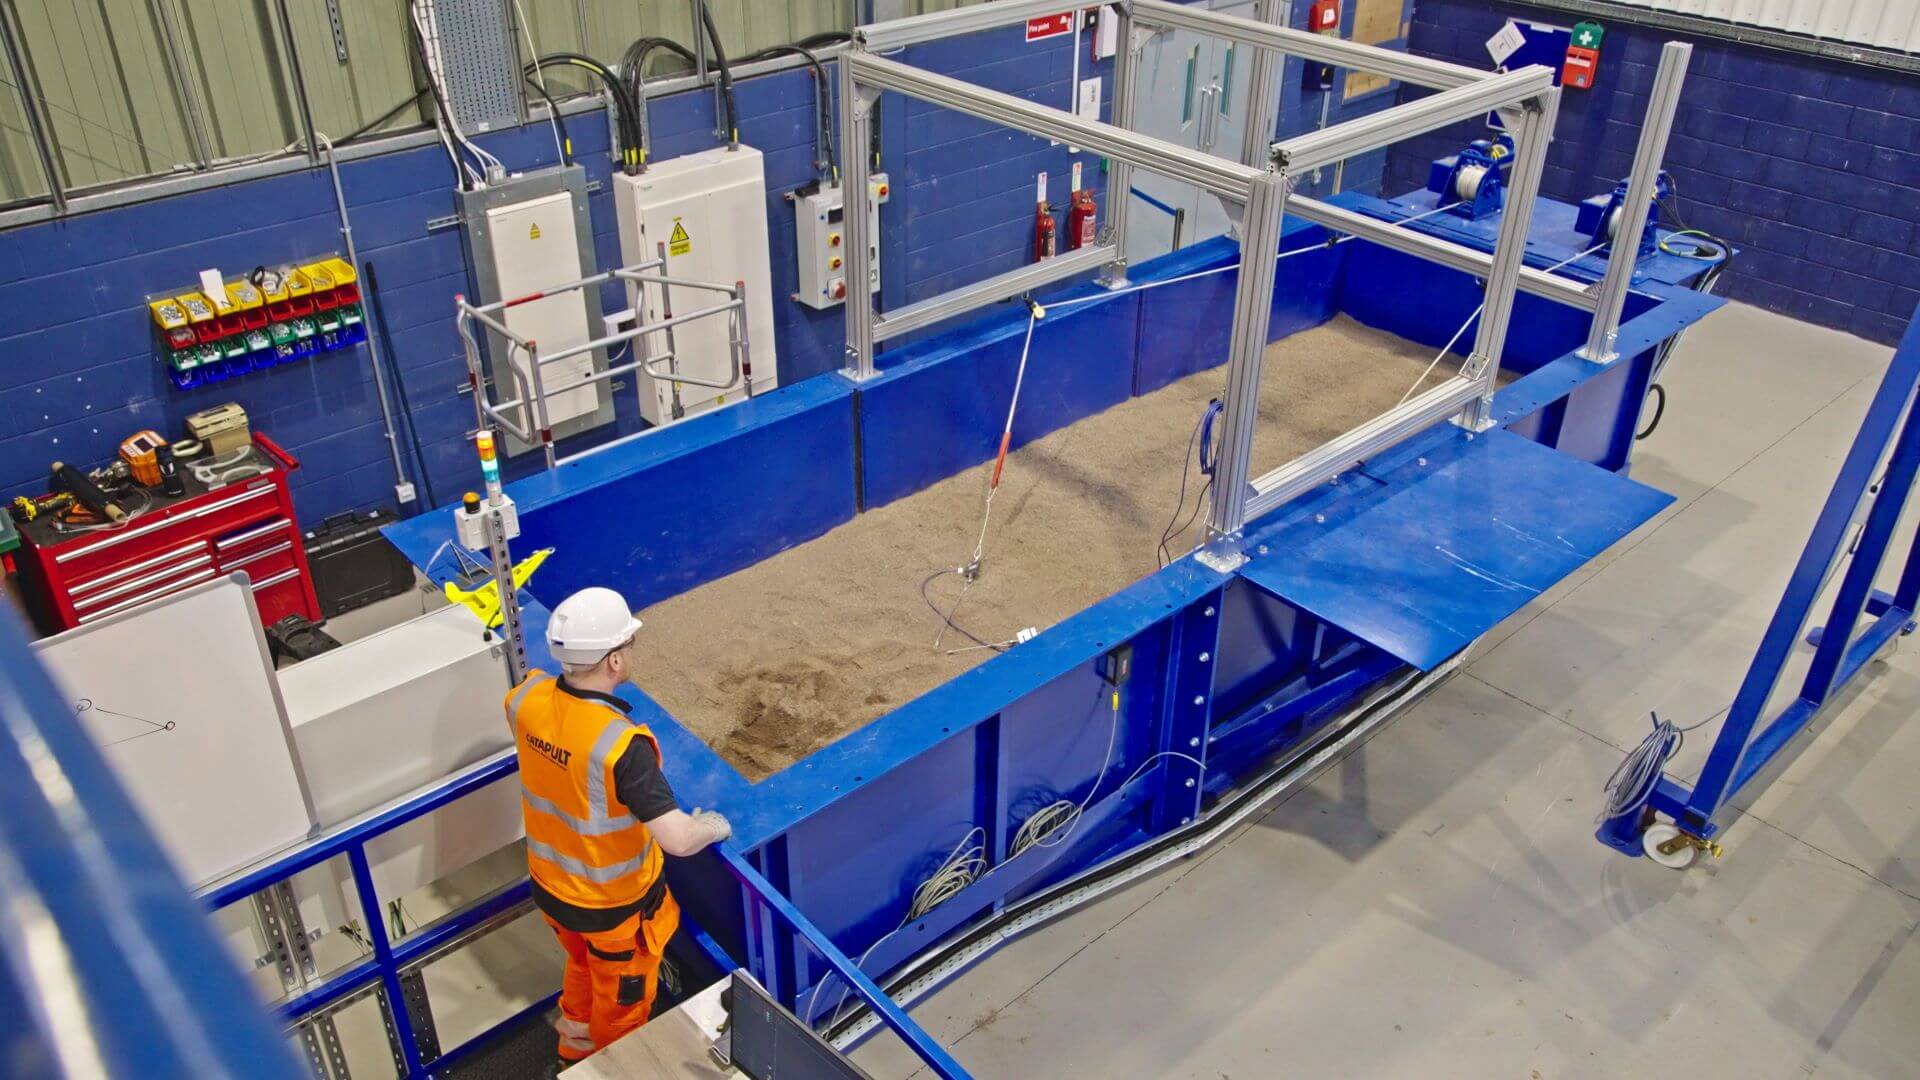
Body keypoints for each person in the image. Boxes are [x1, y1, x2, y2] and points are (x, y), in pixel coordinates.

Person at [504, 586, 731, 1065]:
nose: (631, 653)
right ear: (612, 662)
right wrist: (710, 827)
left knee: (582, 969)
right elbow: (677, 838)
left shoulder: (525, 700)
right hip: (614, 915)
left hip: (552, 892)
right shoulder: (622, 747)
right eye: (627, 645)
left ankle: (571, 1053)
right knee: (623, 1016)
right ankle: (608, 1067)